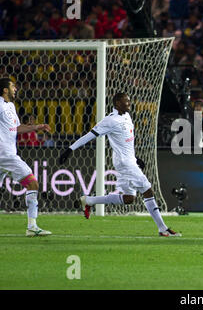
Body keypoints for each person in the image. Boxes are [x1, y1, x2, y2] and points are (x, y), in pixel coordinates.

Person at [58, 92, 181, 237]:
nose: (129, 103)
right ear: (117, 103)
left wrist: (135, 158)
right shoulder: (110, 120)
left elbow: (125, 142)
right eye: (126, 101)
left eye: (129, 101)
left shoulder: (127, 116)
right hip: (124, 163)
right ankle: (162, 228)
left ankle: (90, 200)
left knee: (129, 198)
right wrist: (70, 149)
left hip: (128, 161)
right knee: (148, 190)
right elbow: (89, 135)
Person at [0, 77, 52, 237]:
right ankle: (32, 226)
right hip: (5, 155)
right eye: (12, 86)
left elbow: (15, 128)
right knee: (33, 184)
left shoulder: (10, 106)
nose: (15, 88)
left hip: (7, 154)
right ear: (5, 90)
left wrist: (36, 127)